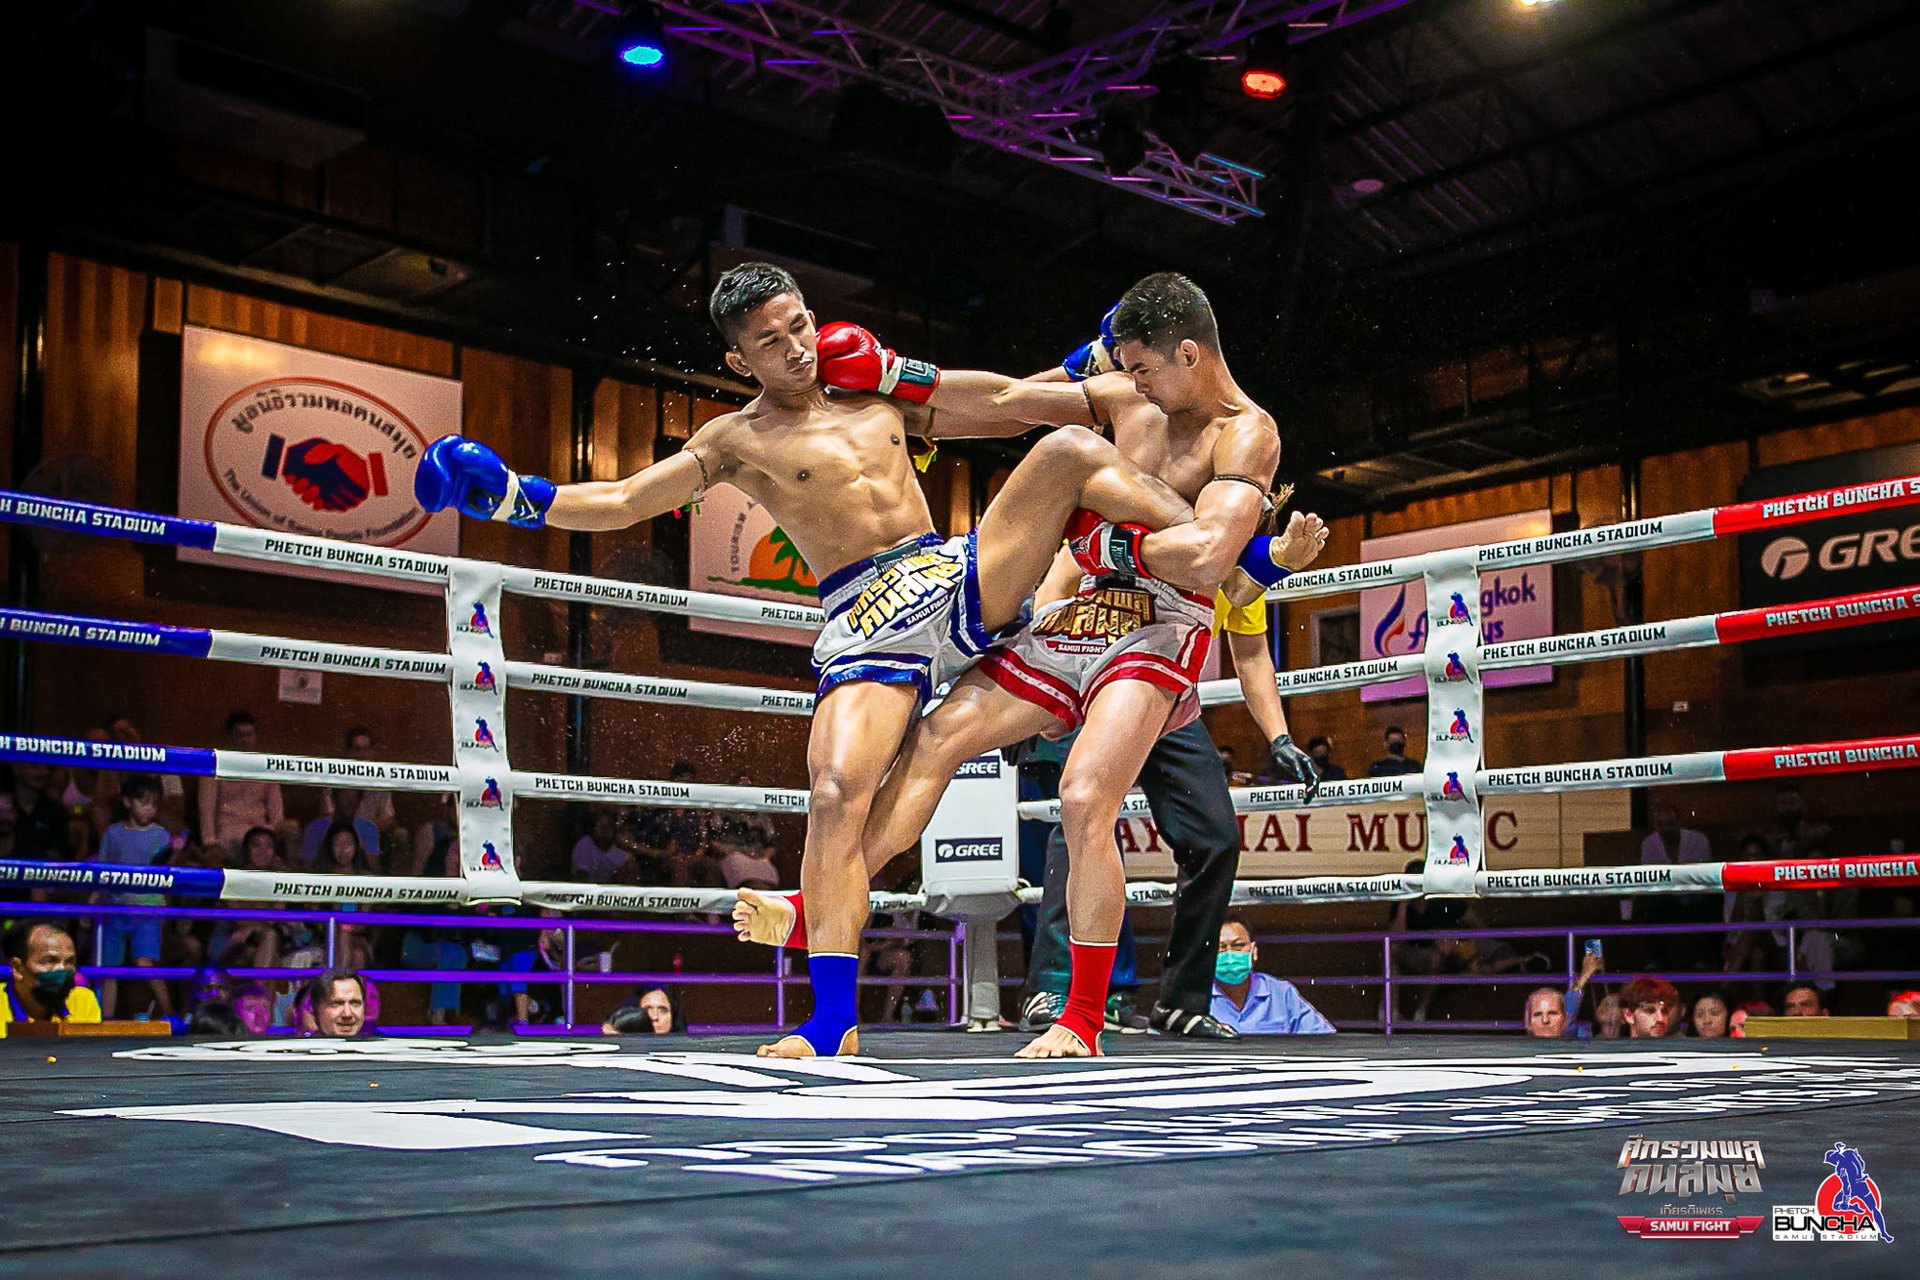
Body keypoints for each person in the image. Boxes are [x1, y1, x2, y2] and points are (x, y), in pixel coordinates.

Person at [417, 261, 1197, 1058]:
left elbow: (1004, 407)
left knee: (1065, 449)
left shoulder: (875, 386)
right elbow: (626, 501)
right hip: (867, 614)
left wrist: (1081, 366)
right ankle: (830, 1021)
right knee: (833, 795)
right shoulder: (735, 439)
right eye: (770, 341)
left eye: (799, 326)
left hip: (957, 574)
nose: (795, 348)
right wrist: (519, 495)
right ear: (738, 360)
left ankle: (1230, 551)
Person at [738, 274, 1329, 1059]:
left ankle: (1081, 1019)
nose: (1132, 383)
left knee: (1085, 795)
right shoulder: (1126, 394)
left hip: (1161, 625)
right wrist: (896, 374)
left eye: (1145, 368)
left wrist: (1103, 545)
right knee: (935, 738)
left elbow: (1209, 558)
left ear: (1188, 353)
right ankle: (818, 910)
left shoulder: (1246, 434)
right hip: (1079, 610)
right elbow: (1013, 400)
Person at [91, 774, 176, 1020]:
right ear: (128, 802)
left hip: (148, 910)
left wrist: (174, 854)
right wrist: (94, 899)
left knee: (144, 963)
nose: (149, 809)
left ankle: (170, 1014)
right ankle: (104, 1021)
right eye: (144, 802)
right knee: (109, 969)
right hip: (114, 909)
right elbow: (102, 871)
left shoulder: (161, 835)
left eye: (154, 804)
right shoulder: (113, 834)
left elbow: (168, 874)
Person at [1208, 919, 1335, 1035]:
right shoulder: (1199, 995)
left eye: (1238, 946)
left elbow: (1322, 1037)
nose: (1230, 955)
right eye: (1221, 948)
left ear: (1254, 951)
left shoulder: (1282, 993)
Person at [197, 711, 286, 859]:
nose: (245, 740)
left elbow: (277, 816)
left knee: (290, 829)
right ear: (230, 738)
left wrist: (274, 833)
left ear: (255, 737)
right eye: (239, 735)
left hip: (261, 831)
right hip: (229, 832)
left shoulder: (266, 768)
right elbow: (206, 813)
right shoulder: (213, 769)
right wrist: (209, 843)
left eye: (249, 735)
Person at [1, 922, 102, 1037]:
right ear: (18, 968)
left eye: (69, 962)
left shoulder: (82, 1001)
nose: (62, 969)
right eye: (50, 961)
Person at [298, 788, 381, 870]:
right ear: (334, 799)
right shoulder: (315, 827)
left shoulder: (369, 828)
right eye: (345, 796)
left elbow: (373, 868)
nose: (350, 802)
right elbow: (307, 867)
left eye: (355, 797)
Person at [571, 809, 633, 884]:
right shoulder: (585, 844)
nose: (604, 830)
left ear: (614, 829)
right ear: (593, 828)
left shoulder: (620, 853)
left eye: (608, 826)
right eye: (601, 826)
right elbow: (582, 878)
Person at [303, 969, 368, 1038]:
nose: (347, 1014)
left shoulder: (376, 1047)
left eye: (355, 1004)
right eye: (337, 1004)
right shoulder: (299, 1047)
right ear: (314, 1009)